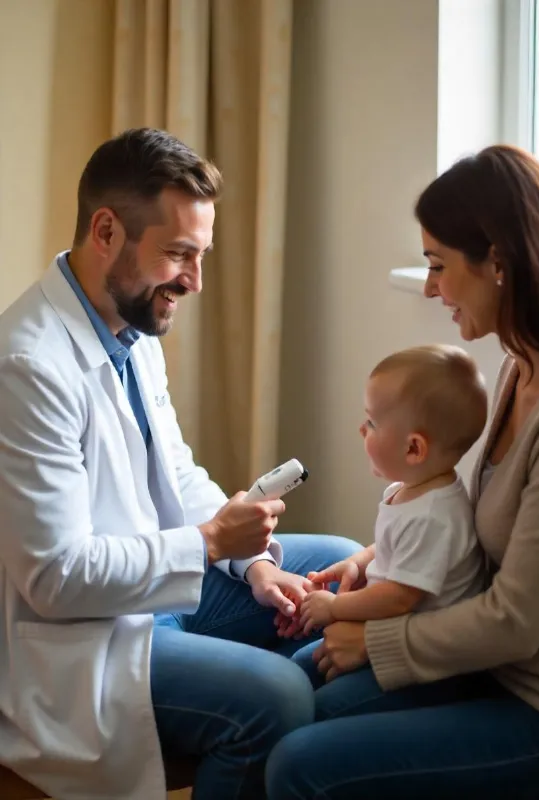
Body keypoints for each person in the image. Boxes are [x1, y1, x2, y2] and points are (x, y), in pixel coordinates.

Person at [0, 127, 360, 800]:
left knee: (341, 571)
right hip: (83, 638)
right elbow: (55, 579)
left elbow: (176, 474)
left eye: (201, 255)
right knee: (278, 696)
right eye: (178, 254)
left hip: (155, 595)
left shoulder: (131, 327)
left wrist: (252, 564)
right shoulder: (27, 366)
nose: (193, 280)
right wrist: (211, 542)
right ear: (106, 230)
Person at [266, 144, 539, 800]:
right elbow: (469, 523)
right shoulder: (517, 368)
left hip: (534, 704)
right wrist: (376, 558)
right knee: (288, 701)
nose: (429, 288)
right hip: (486, 666)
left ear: (499, 262)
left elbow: (517, 620)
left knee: (297, 760)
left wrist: (376, 639)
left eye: (438, 265)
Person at [299, 345, 486, 639]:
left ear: (413, 448)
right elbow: (394, 549)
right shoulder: (413, 490)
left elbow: (398, 597)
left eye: (372, 422)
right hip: (384, 623)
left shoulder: (432, 517)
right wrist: (358, 564)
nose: (362, 429)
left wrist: (335, 606)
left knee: (304, 672)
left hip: (417, 660)